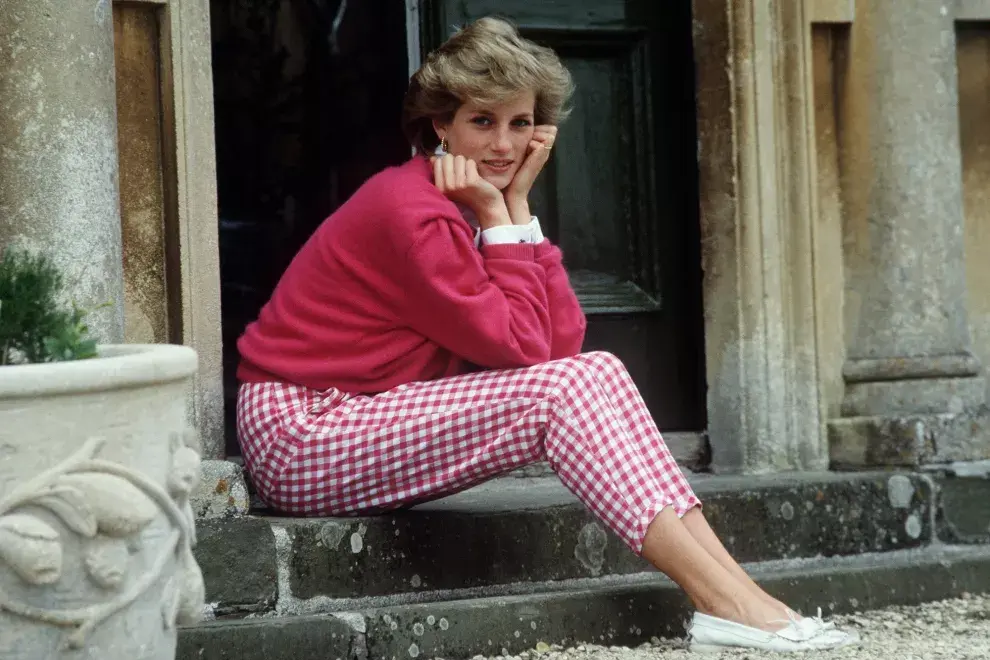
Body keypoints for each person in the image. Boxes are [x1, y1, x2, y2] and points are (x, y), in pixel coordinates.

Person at [234, 16, 858, 653]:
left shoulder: (474, 200)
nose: (504, 145)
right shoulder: (411, 212)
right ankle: (723, 602)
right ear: (440, 126)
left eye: (521, 123)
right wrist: (497, 214)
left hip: (360, 415)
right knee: (563, 390)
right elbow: (527, 352)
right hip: (302, 432)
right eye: (482, 121)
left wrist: (518, 208)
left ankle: (743, 597)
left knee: (598, 370)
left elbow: (561, 344)